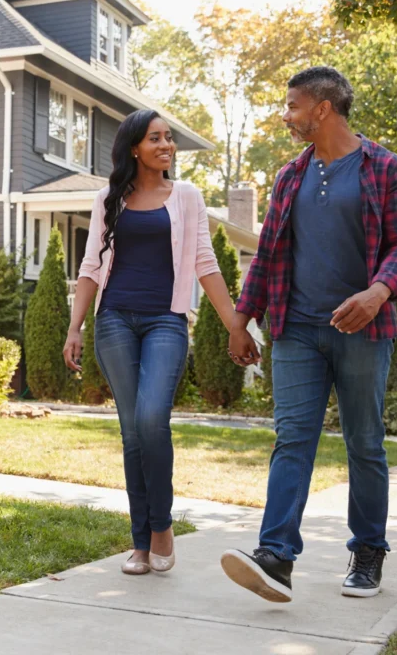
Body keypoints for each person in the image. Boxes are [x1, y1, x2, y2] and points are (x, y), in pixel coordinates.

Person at [221, 67, 397, 603]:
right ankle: (276, 556)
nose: (286, 116)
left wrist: (378, 292)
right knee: (292, 440)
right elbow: (267, 254)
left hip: (364, 328)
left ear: (323, 108)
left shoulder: (386, 169)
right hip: (297, 328)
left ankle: (368, 550)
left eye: (292, 106)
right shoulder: (290, 176)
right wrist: (242, 318)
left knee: (365, 442)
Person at [63, 109, 259, 576]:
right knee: (132, 432)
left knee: (153, 419)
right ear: (135, 147)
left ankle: (162, 526)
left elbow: (204, 262)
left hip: (165, 321)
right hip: (113, 321)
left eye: (169, 138)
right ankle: (140, 544)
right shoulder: (109, 198)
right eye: (156, 138)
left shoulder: (186, 196)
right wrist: (75, 326)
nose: (166, 145)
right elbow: (91, 265)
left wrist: (236, 323)